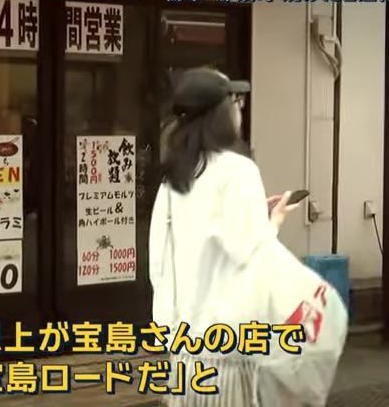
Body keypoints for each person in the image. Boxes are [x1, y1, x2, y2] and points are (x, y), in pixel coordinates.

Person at [149, 68, 347, 406]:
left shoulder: (174, 179)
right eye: (235, 102)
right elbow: (251, 256)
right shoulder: (239, 172)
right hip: (229, 358)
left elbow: (160, 263)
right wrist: (274, 221)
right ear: (219, 114)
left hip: (184, 357)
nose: (239, 109)